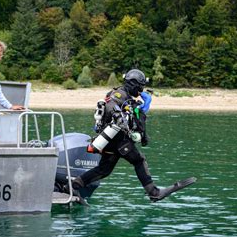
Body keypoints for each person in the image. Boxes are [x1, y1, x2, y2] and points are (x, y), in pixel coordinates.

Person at [70, 68, 196, 202]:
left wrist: (139, 109)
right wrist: (118, 114)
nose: (141, 90)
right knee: (139, 160)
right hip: (118, 140)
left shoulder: (127, 97)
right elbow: (111, 103)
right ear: (134, 84)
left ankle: (75, 184)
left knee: (104, 170)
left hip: (111, 140)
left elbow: (131, 114)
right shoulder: (119, 93)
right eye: (140, 87)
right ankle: (153, 192)